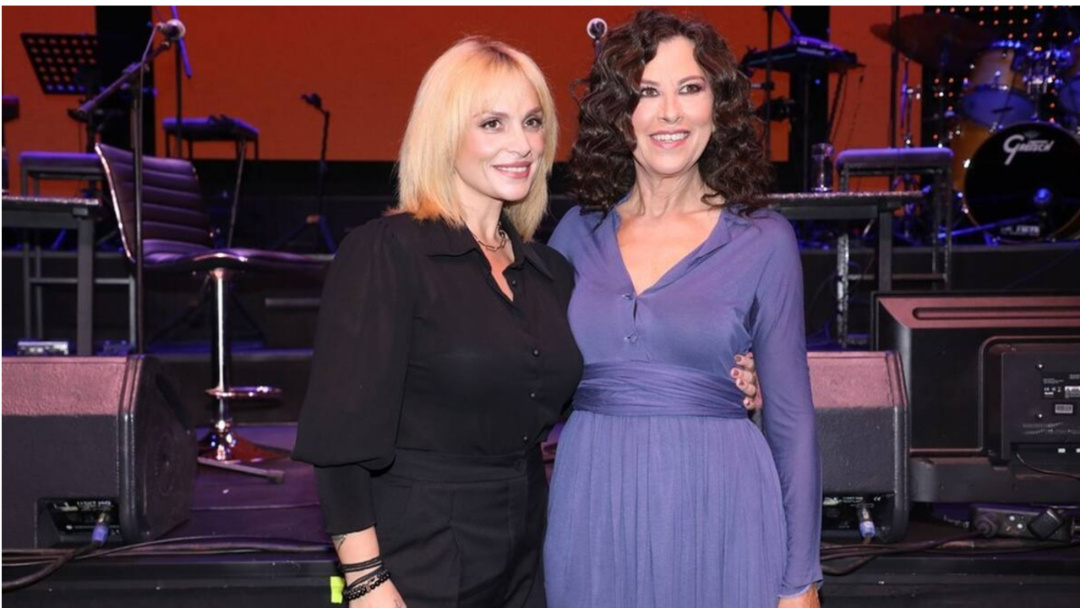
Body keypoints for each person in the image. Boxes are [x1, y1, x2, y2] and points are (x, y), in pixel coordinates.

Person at [292, 37, 584, 608]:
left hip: (528, 552)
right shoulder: (387, 253)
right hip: (420, 554)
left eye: (532, 122)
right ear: (444, 135)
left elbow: (589, 390)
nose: (522, 144)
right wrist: (366, 581)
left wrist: (725, 380)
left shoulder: (550, 272)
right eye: (493, 124)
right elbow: (340, 440)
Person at [543, 10, 822, 608]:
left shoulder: (763, 240)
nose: (670, 112)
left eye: (690, 88)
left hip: (723, 510)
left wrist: (801, 579)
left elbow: (792, 421)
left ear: (717, 107)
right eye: (647, 92)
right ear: (617, 113)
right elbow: (533, 378)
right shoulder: (574, 235)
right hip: (591, 509)